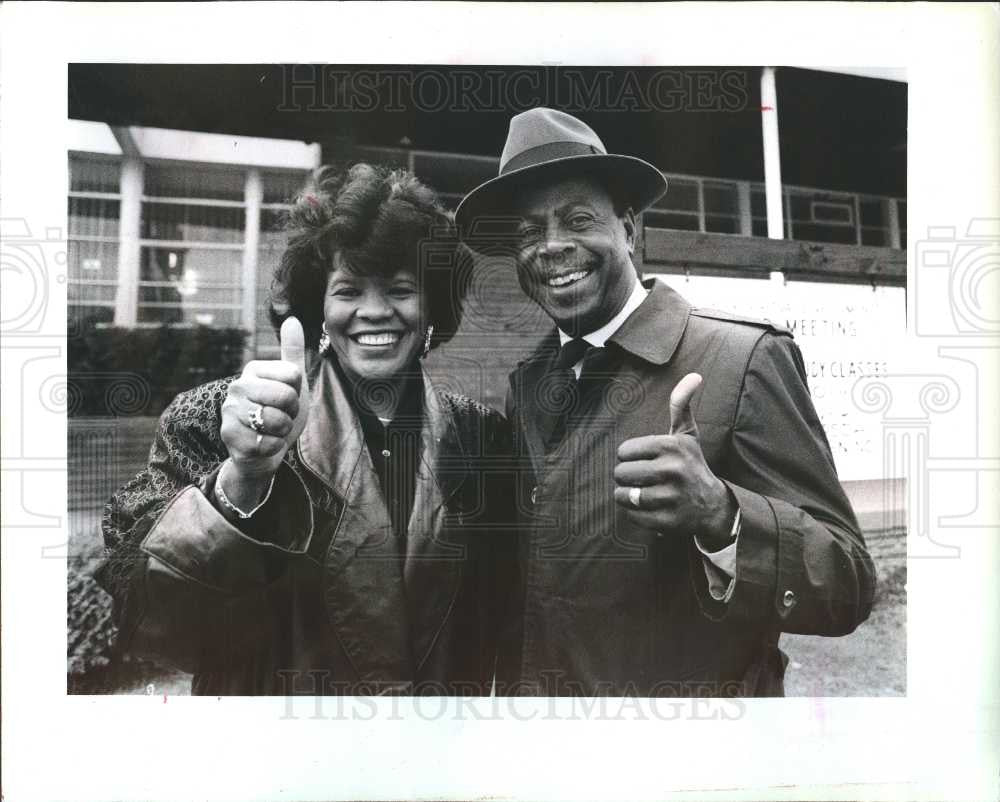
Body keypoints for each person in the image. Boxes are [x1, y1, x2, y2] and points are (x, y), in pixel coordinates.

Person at [456, 107, 876, 697]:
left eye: (578, 219)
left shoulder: (744, 358)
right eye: (527, 232)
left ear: (628, 229)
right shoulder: (528, 385)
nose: (551, 247)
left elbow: (848, 583)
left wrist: (722, 514)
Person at [96, 163, 511, 696]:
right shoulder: (220, 419)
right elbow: (151, 617)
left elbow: (503, 620)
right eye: (349, 289)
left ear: (431, 304)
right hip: (279, 759)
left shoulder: (480, 439)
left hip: (429, 759)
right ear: (318, 306)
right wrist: (240, 480)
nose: (375, 311)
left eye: (401, 288)